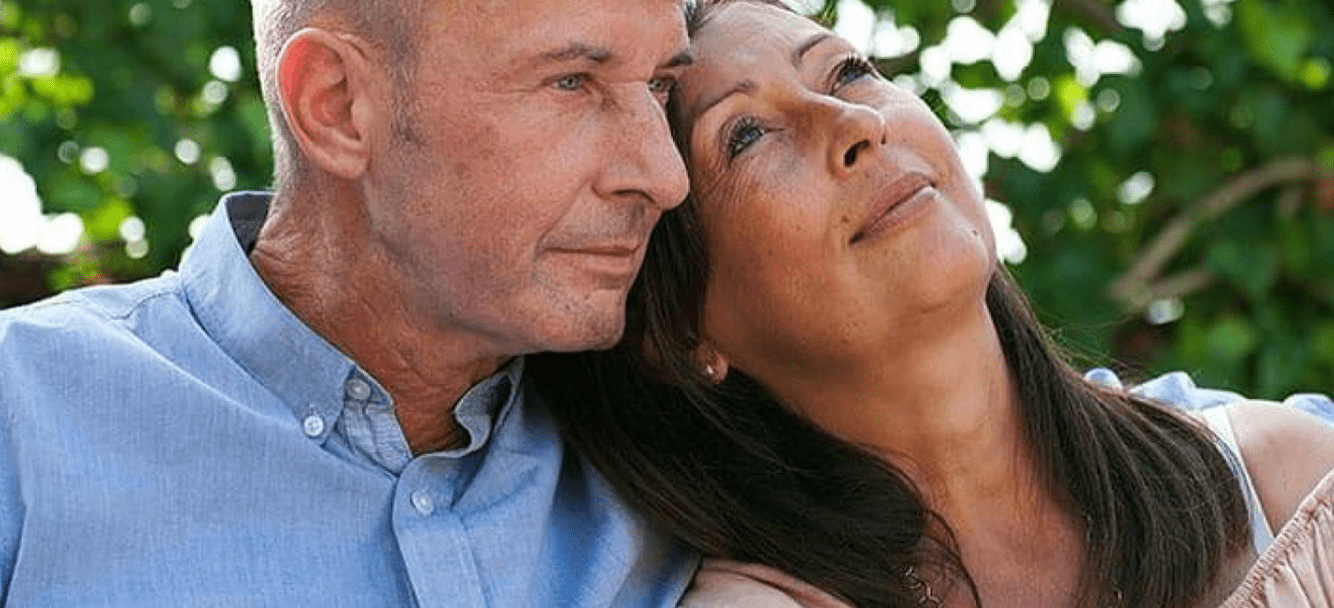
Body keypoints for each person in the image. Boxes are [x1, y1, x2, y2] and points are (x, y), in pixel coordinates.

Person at [528, 1, 1334, 606]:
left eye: (848, 72)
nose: (855, 123)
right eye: (746, 135)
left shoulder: (1283, 480)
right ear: (679, 331)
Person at [0, 0, 703, 605]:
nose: (664, 176)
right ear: (335, 106)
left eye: (661, 86)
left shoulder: (699, 456)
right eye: (571, 82)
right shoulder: (22, 420)